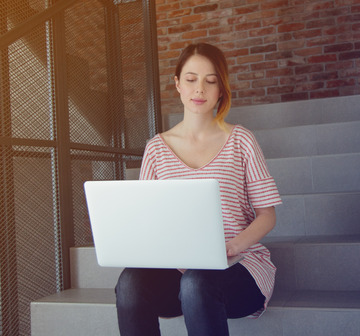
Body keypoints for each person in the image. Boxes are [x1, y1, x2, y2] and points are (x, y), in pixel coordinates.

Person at [114, 43, 282, 336]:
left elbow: (267, 215)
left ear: (221, 88)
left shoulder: (241, 140)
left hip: (239, 268)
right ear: (178, 84)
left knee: (196, 282)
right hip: (180, 273)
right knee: (130, 282)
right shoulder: (156, 149)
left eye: (211, 80)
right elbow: (149, 221)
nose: (200, 89)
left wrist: (232, 247)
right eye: (191, 79)